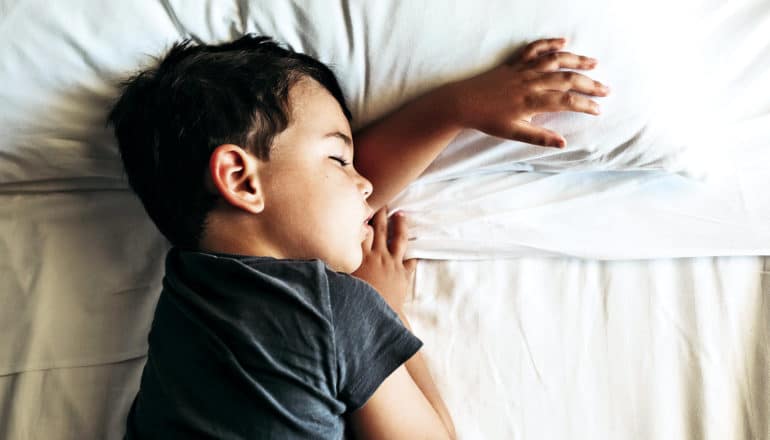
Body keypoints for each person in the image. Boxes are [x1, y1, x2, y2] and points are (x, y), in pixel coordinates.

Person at [108, 33, 608, 439]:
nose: (365, 183)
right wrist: (385, 309)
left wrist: (455, 108)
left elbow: (306, 199)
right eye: (339, 159)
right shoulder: (336, 309)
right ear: (240, 179)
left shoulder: (186, 291)